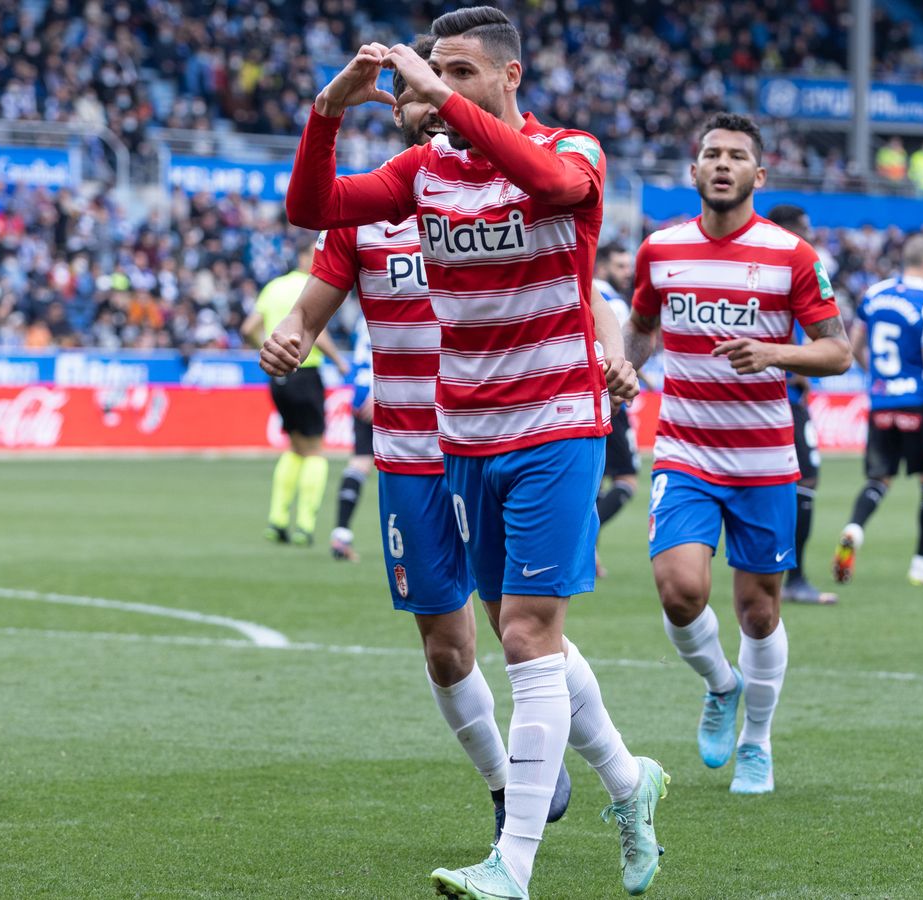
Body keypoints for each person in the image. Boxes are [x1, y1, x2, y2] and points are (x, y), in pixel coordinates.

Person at [281, 9, 666, 897]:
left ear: (511, 76)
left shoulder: (576, 151)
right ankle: (627, 779)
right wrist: (327, 111)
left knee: (528, 635)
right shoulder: (423, 173)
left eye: (459, 71)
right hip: (461, 437)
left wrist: (439, 101)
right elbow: (312, 207)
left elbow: (547, 184)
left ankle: (513, 863)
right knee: (511, 631)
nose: (440, 88)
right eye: (434, 71)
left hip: (557, 425)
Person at [260, 36, 572, 848]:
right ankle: (512, 785)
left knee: (524, 627)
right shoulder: (373, 210)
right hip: (408, 449)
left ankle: (610, 772)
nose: (417, 98)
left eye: (437, 83)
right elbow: (311, 281)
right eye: (407, 89)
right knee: (446, 649)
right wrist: (292, 333)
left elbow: (566, 222)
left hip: (502, 434)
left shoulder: (522, 179)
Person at [624, 113, 850, 795]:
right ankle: (723, 686)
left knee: (759, 611)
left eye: (736, 156)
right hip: (686, 450)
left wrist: (775, 352)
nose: (722, 164)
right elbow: (639, 330)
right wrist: (623, 371)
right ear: (694, 172)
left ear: (759, 174)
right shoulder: (660, 250)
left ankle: (757, 740)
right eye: (711, 154)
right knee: (680, 590)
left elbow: (838, 350)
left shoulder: (793, 255)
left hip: (762, 462)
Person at [833, 234, 923, 588]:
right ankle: (921, 563)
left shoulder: (875, 294)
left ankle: (854, 529)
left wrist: (879, 378)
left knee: (878, 479)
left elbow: (853, 346)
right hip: (918, 401)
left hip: (882, 400)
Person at [242, 242, 349, 547]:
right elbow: (319, 331)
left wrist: (267, 351)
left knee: (294, 447)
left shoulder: (273, 287)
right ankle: (304, 525)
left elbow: (249, 327)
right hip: (306, 372)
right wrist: (340, 362)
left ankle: (277, 520)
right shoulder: (310, 285)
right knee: (315, 450)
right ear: (305, 257)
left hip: (278, 379)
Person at [764, 203, 838, 606]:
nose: (811, 235)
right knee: (804, 480)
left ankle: (780, 572)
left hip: (783, 395)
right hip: (783, 400)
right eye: (806, 228)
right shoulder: (788, 269)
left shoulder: (775, 270)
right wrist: (797, 367)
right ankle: (794, 578)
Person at [593, 242, 640, 576]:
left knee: (590, 484)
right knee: (626, 480)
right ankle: (583, 540)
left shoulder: (579, 289)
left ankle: (586, 551)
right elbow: (619, 357)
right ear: (603, 266)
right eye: (621, 266)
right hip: (608, 400)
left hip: (576, 401)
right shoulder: (612, 304)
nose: (627, 272)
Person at [329, 314, 374, 562]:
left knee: (360, 462)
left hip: (360, 391)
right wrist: (379, 391)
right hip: (386, 392)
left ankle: (341, 535)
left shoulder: (361, 315)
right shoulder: (389, 301)